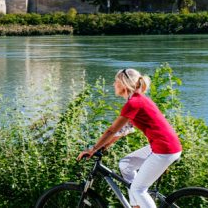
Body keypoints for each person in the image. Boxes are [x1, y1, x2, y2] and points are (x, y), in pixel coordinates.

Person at [77, 68, 182, 208]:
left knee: (138, 189)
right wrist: (104, 146)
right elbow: (124, 130)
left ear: (123, 83)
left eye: (116, 81)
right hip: (163, 146)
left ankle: (139, 199)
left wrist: (93, 149)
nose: (113, 84)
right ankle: (136, 205)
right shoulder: (137, 100)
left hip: (164, 149)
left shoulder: (133, 103)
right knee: (125, 165)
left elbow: (111, 130)